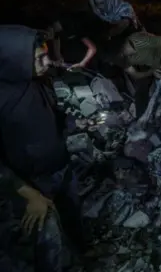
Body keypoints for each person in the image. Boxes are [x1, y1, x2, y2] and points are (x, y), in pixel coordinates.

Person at [0, 25, 87, 272]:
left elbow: (52, 115)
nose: (47, 62)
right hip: (33, 184)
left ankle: (81, 256)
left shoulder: (37, 81)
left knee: (72, 220)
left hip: (61, 168)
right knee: (49, 247)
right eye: (39, 58)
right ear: (12, 60)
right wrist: (28, 194)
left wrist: (75, 122)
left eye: (46, 54)